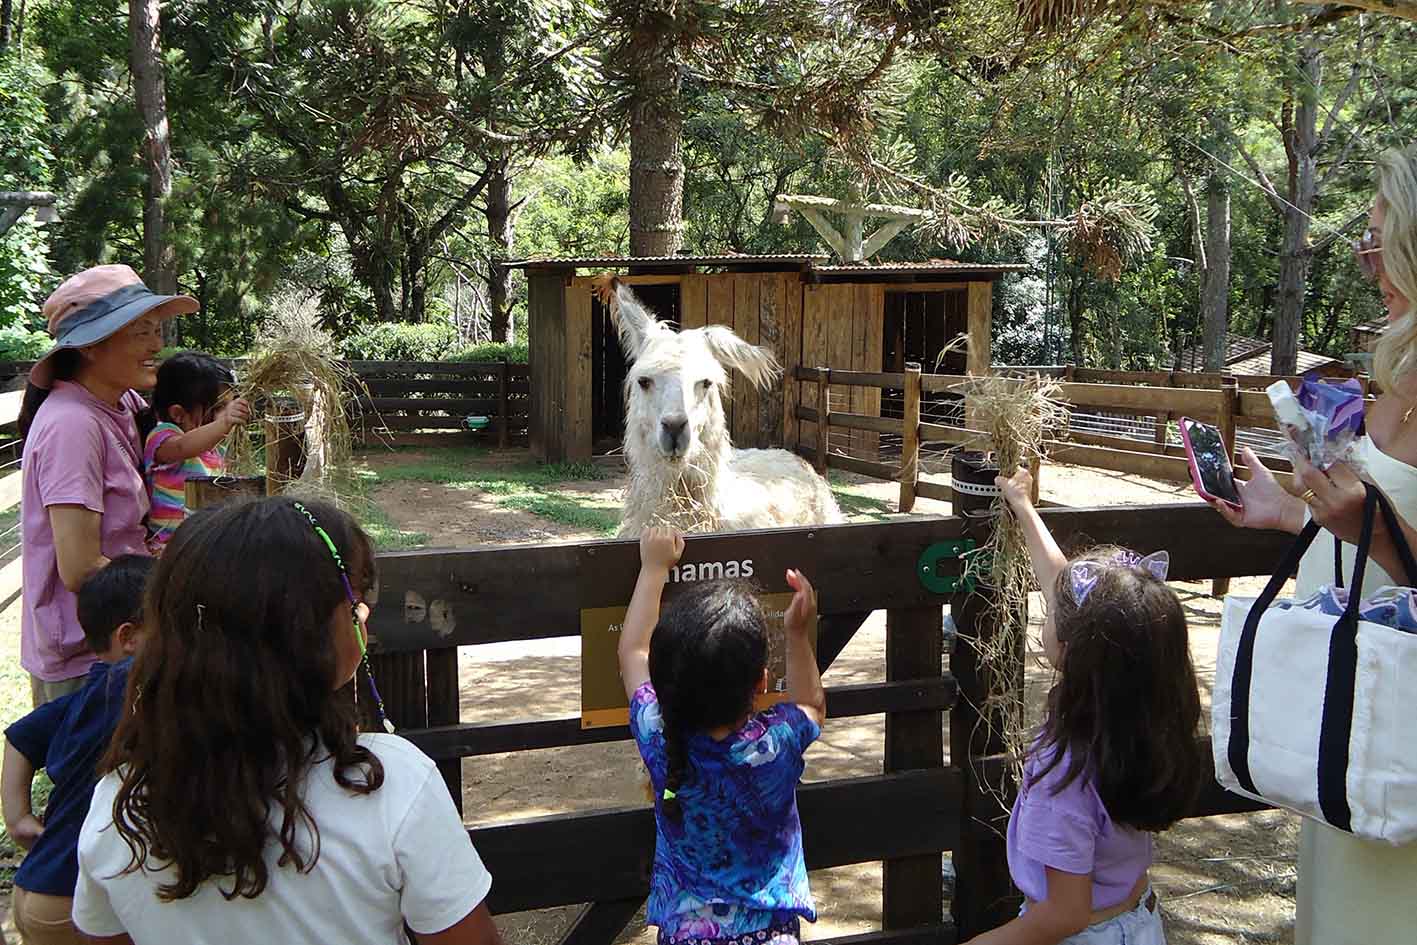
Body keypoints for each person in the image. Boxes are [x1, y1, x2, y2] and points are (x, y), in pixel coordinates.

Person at [71, 498, 500, 945]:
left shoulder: (118, 802)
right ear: (304, 636)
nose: (363, 613)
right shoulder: (392, 783)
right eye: (351, 602)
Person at [1211, 144, 1417, 945]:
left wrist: (1368, 522)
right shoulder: (1396, 369)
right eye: (1364, 243)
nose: (1367, 264)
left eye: (1379, 241)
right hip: (1354, 720)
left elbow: (1392, 538)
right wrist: (1292, 517)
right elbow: (1370, 532)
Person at [961, 467, 1203, 945]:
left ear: (1073, 650)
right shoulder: (1139, 718)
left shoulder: (1063, 773)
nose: (1049, 608)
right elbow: (1060, 581)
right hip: (1137, 919)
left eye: (1054, 613)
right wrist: (1023, 505)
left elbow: (1064, 914)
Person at [618, 527, 825, 945]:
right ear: (762, 682)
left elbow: (632, 652)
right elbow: (813, 707)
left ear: (666, 683)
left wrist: (654, 569)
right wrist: (799, 635)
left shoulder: (657, 734)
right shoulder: (774, 745)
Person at [18, 265, 196, 705]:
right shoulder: (72, 426)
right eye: (140, 332)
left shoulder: (118, 405)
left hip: (123, 633)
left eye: (156, 330)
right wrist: (180, 581)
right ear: (92, 346)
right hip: (89, 655)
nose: (157, 345)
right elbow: (79, 568)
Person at [2, 555, 153, 945]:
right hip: (69, 898)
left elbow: (20, 737)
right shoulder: (129, 683)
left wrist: (18, 816)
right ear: (129, 637)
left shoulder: (91, 690)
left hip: (41, 882)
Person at [141, 352, 251, 548]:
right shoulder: (164, 437)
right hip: (169, 547)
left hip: (202, 543)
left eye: (230, 404)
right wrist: (225, 422)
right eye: (219, 407)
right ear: (179, 414)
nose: (227, 413)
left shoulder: (214, 450)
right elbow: (183, 446)